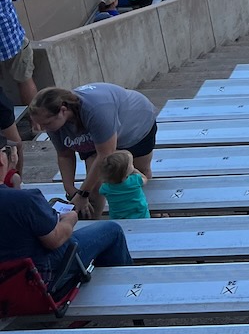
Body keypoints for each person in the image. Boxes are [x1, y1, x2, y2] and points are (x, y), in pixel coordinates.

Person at [0, 140, 133, 276]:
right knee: (112, 230)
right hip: (39, 276)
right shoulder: (25, 199)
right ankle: (124, 284)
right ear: (1, 160)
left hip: (6, 280)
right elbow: (55, 240)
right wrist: (70, 219)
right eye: (7, 151)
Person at [29, 84, 159, 220]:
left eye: (46, 124)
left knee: (136, 174)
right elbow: (64, 155)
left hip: (135, 122)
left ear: (63, 110)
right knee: (94, 187)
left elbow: (105, 154)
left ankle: (147, 215)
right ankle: (92, 224)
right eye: (39, 124)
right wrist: (71, 191)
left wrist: (83, 193)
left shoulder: (95, 111)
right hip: (94, 134)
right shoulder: (53, 124)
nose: (42, 129)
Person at [98, 149, 151, 220]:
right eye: (131, 165)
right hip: (140, 214)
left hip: (118, 217)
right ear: (126, 172)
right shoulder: (135, 180)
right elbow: (144, 179)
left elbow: (101, 191)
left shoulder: (106, 188)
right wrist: (135, 170)